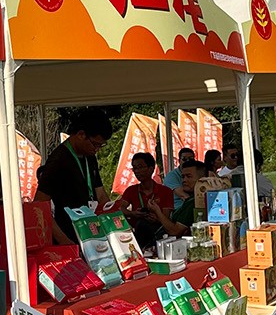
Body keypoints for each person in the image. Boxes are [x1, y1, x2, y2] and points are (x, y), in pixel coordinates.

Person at [36, 107, 111, 244]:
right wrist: (64, 241)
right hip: (68, 234)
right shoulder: (58, 160)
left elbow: (100, 195)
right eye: (95, 144)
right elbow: (39, 204)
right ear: (81, 134)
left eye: (101, 146)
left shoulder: (89, 156)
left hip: (92, 232)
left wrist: (114, 225)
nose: (96, 149)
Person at [109, 152, 185, 249]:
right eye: (134, 168)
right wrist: (132, 213)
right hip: (137, 234)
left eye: (140, 167)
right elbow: (119, 208)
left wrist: (156, 218)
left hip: (158, 235)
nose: (137, 171)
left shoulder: (165, 191)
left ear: (151, 169)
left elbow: (166, 217)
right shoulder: (131, 190)